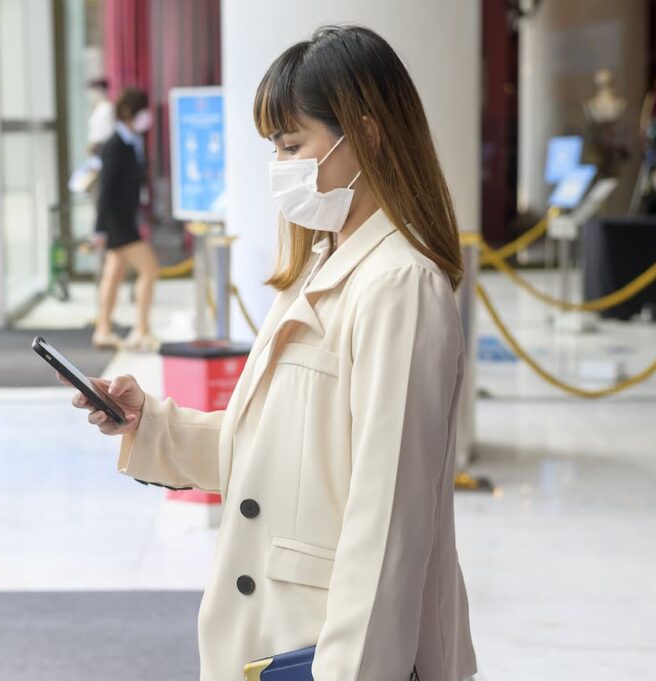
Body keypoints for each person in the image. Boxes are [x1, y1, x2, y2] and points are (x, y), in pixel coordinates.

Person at [62, 25, 477, 681]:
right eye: (275, 148)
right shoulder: (321, 259)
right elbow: (278, 449)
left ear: (367, 135)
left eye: (292, 144)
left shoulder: (400, 284)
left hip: (331, 646)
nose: (280, 166)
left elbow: (389, 520)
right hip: (275, 632)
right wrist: (154, 424)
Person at [92, 88, 160, 351]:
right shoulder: (114, 145)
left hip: (125, 219)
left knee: (114, 274)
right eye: (142, 110)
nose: (147, 117)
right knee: (149, 269)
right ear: (129, 113)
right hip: (117, 222)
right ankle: (141, 330)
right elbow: (105, 189)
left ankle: (103, 330)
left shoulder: (133, 141)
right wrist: (99, 228)